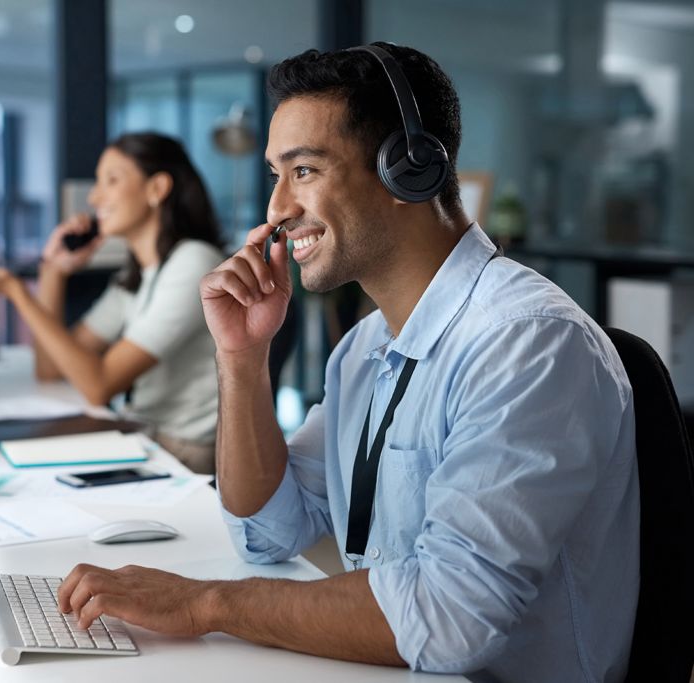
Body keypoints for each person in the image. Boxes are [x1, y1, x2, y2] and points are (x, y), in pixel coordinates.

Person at [55, 43, 639, 682]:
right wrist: (242, 357)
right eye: (276, 175)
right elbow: (268, 533)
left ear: (405, 170)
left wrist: (204, 603)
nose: (277, 209)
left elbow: (451, 618)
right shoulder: (365, 350)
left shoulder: (526, 344)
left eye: (303, 170)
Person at [0, 133, 226, 473]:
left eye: (111, 181)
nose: (95, 197)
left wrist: (15, 290)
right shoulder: (138, 274)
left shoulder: (193, 263)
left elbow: (98, 385)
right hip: (145, 436)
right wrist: (53, 272)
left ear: (157, 189)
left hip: (183, 452)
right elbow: (51, 369)